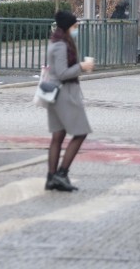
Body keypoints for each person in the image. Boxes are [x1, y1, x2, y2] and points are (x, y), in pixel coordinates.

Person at [44, 10, 94, 192]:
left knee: (58, 136)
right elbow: (63, 73)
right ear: (67, 27)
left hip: (55, 94)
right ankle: (61, 173)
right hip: (64, 94)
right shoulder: (61, 46)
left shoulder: (57, 42)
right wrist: (82, 66)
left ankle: (51, 178)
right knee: (80, 133)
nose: (76, 29)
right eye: (74, 26)